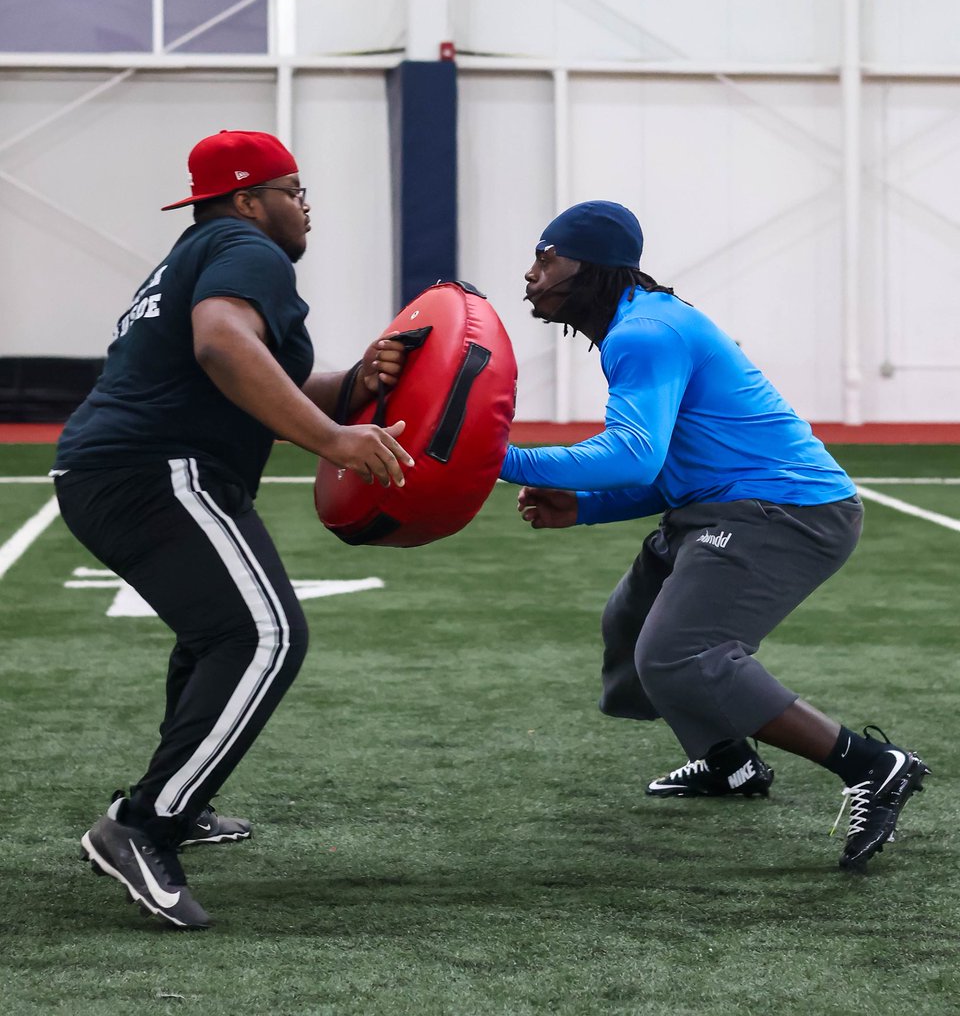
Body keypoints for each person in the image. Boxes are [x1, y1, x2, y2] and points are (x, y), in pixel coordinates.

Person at [500, 199, 929, 873]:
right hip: (725, 508)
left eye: (546, 257)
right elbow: (669, 472)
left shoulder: (643, 333)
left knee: (680, 652)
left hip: (789, 513)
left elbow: (635, 453)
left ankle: (874, 765)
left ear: (593, 265)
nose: (530, 274)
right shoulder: (642, 326)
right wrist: (580, 508)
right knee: (630, 623)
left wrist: (497, 457)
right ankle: (730, 764)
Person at [53, 129, 414, 929]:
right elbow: (222, 345)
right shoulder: (246, 250)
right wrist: (334, 438)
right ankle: (143, 825)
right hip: (155, 470)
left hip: (120, 470)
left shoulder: (200, 251)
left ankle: (182, 802)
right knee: (264, 635)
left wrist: (352, 384)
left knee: (215, 632)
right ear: (251, 200)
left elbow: (255, 371)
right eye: (295, 190)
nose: (306, 207)